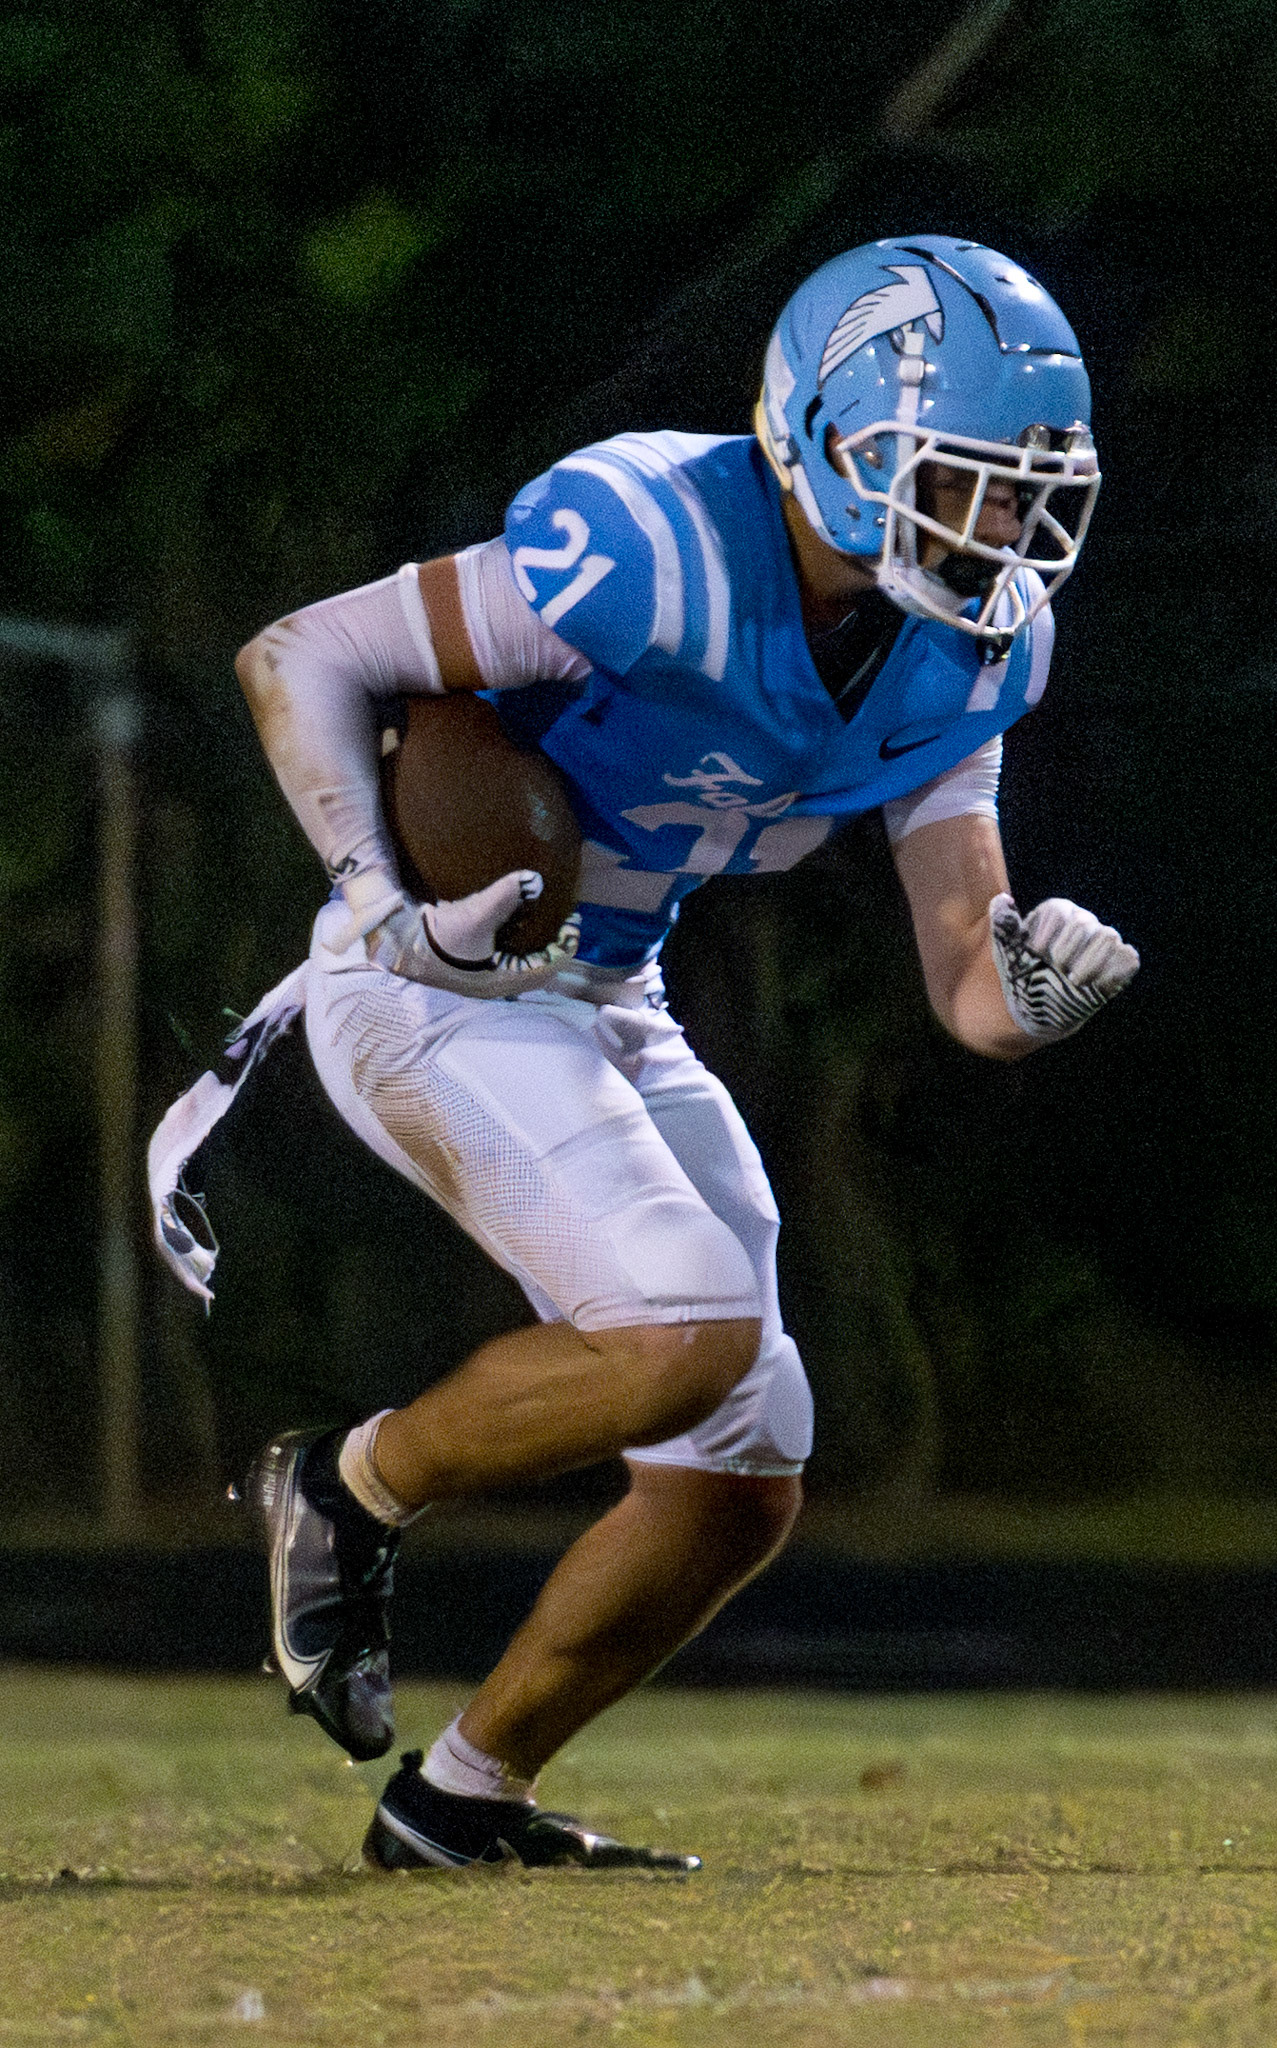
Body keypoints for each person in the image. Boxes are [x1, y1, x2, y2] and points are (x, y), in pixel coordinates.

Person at [149, 234, 1138, 1873]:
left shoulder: (971, 645)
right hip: (434, 984)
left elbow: (968, 981)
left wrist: (1033, 994)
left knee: (744, 1458)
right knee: (683, 1325)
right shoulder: (652, 539)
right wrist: (383, 904)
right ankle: (345, 1483)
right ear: (826, 434)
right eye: (959, 478)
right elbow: (303, 652)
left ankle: (463, 1800)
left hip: (608, 989)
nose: (996, 529)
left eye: (1025, 493)